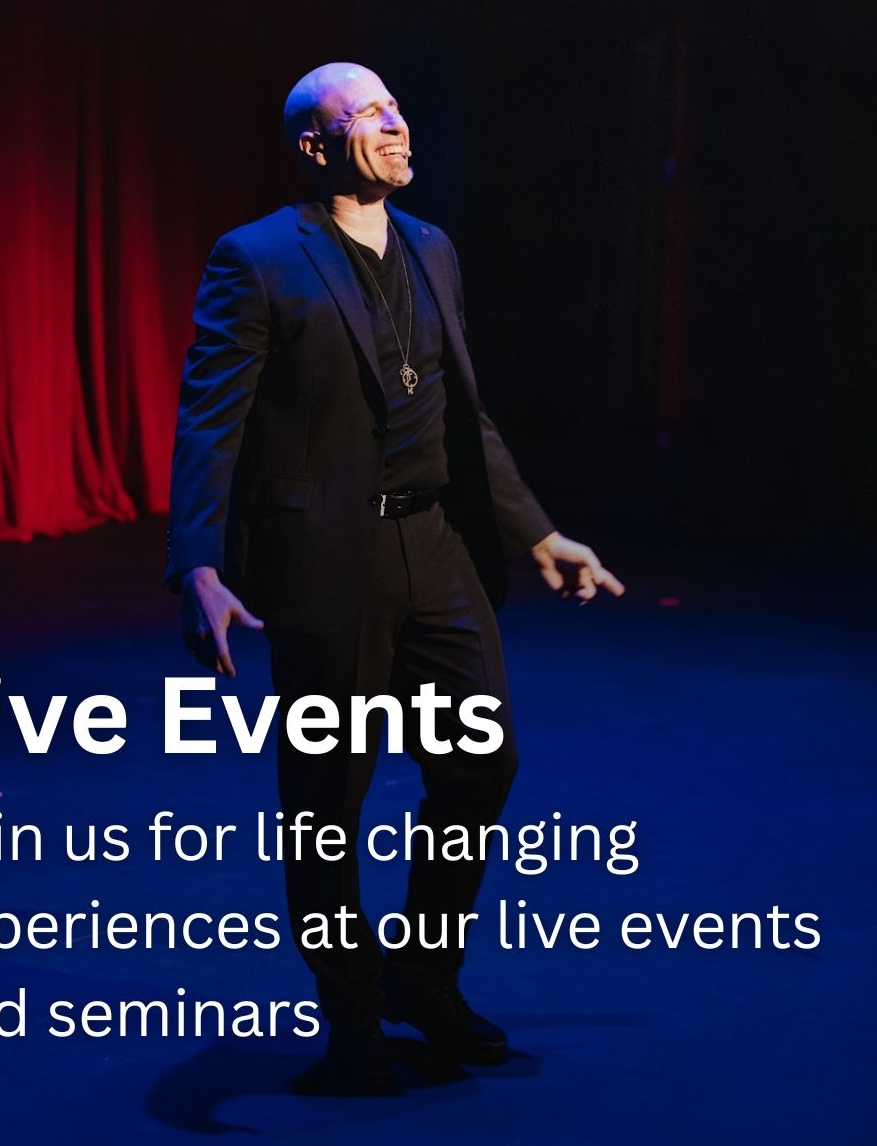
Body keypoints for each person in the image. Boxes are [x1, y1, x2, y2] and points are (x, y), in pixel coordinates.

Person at [165, 62, 623, 1092]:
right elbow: (210, 421)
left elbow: (465, 416)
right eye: (367, 113)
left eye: (396, 107)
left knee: (481, 766)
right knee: (327, 798)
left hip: (439, 547)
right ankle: (352, 1013)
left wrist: (536, 533)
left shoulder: (433, 247)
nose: (396, 123)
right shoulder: (257, 259)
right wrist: (198, 563)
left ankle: (423, 978)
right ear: (315, 145)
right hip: (328, 563)